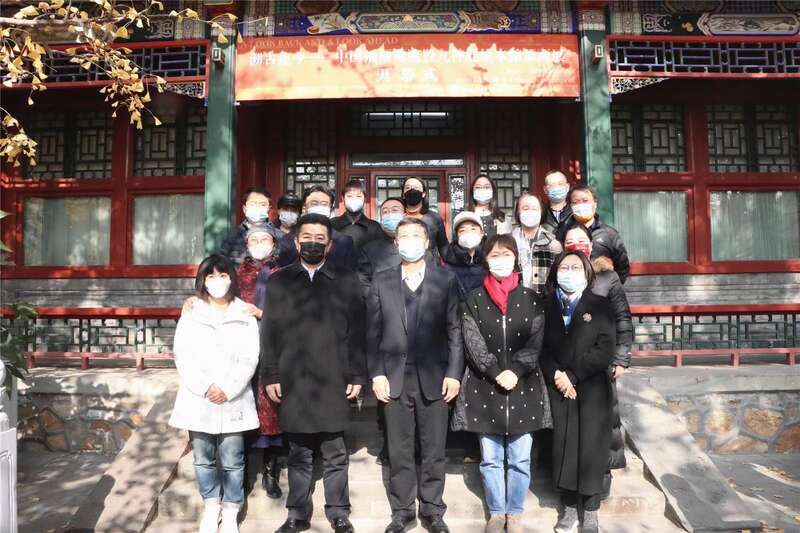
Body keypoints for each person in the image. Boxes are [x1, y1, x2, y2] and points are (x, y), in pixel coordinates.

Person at [261, 213, 366, 533]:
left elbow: (357, 331)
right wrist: (271, 375)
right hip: (293, 377)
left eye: (320, 239)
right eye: (307, 237)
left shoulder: (346, 279)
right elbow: (269, 332)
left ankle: (338, 511)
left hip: (334, 376)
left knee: (335, 452)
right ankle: (297, 513)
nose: (313, 243)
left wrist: (357, 375)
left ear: (330, 245)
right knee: (299, 453)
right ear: (296, 242)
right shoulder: (279, 281)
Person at [367, 217, 463, 533]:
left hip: (435, 376)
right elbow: (372, 332)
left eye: (416, 236)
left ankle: (433, 509)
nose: (409, 241)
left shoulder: (445, 279)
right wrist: (377, 374)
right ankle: (403, 511)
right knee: (399, 449)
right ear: (396, 243)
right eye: (403, 236)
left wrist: (454, 373)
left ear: (426, 242)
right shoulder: (382, 280)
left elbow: (455, 330)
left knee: (434, 449)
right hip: (394, 377)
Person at [451, 234, 551, 533]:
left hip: (524, 386)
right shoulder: (473, 299)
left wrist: (517, 369)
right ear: (485, 260)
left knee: (520, 458)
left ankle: (515, 512)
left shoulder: (532, 299)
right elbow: (472, 342)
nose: (501, 260)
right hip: (485, 388)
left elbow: (536, 341)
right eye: (494, 255)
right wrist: (495, 371)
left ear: (516, 258)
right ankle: (497, 512)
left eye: (506, 254)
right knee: (491, 459)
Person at [168, 254, 260, 533]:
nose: (217, 281)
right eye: (211, 276)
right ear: (202, 281)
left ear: (232, 278)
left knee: (233, 459)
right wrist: (205, 387)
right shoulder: (192, 312)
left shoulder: (244, 313)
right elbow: (182, 354)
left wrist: (228, 389)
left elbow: (250, 356)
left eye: (223, 275)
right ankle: (211, 506)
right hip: (200, 397)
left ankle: (231, 509)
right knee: (202, 458)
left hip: (233, 398)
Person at [539, 251, 616, 533]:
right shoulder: (545, 305)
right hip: (559, 387)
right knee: (564, 447)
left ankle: (591, 510)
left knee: (593, 447)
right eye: (564, 267)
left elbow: (605, 348)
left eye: (575, 267)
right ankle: (569, 507)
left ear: (586, 272)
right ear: (555, 272)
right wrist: (557, 375)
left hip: (592, 386)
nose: (569, 272)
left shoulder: (601, 304)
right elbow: (539, 347)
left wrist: (572, 375)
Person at [563, 224, 633, 498]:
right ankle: (570, 485)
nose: (576, 245)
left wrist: (621, 357)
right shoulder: (560, 276)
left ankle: (600, 482)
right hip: (569, 365)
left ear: (591, 245)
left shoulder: (607, 277)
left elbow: (622, 317)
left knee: (603, 422)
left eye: (581, 240)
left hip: (600, 361)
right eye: (570, 241)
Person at [235, 225, 283, 499]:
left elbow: (292, 312)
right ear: (246, 244)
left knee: (271, 411)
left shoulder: (283, 273)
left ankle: (270, 471)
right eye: (254, 239)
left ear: (274, 243)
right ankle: (240, 473)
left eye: (265, 239)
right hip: (240, 350)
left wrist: (262, 313)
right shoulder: (235, 273)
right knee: (241, 407)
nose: (260, 243)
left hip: (273, 348)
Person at [557, 185, 631, 283]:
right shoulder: (563, 232)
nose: (581, 205)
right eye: (575, 202)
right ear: (571, 206)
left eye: (585, 201)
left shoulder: (609, 234)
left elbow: (623, 267)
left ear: (595, 204)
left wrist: (610, 286)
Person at [277, 185, 357, 271]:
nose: (319, 207)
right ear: (304, 208)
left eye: (324, 204)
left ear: (331, 208)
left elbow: (349, 275)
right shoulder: (287, 241)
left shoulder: (344, 242)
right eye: (314, 203)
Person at [510, 192, 562, 294]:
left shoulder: (553, 244)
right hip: (514, 299)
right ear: (518, 212)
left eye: (534, 209)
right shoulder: (508, 242)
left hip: (544, 299)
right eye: (525, 208)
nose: (530, 212)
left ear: (541, 212)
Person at [357, 197, 405, 295]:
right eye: (385, 212)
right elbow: (363, 282)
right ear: (381, 219)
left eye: (395, 210)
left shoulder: (418, 245)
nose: (390, 214)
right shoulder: (369, 250)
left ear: (405, 215)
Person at [220, 187, 274, 266]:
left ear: (269, 209)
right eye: (253, 204)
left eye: (262, 205)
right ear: (244, 209)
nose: (257, 208)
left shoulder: (280, 237)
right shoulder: (232, 237)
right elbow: (223, 266)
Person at [442, 211, 488, 299]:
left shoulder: (489, 258)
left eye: (473, 229)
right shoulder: (448, 260)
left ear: (482, 233)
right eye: (462, 230)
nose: (468, 233)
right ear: (457, 236)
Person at [402, 176, 448, 260]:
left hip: (430, 265)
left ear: (423, 193)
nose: (412, 190)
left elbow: (443, 247)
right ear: (403, 194)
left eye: (416, 187)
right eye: (408, 187)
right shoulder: (398, 217)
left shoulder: (434, 218)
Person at [331, 179, 383, 249]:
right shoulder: (333, 224)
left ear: (364, 199)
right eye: (349, 196)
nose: (354, 199)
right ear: (343, 199)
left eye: (358, 196)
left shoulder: (375, 227)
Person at [541, 170, 573, 234]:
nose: (556, 187)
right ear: (545, 190)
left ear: (567, 187)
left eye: (560, 184)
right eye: (551, 185)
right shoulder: (540, 213)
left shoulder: (575, 211)